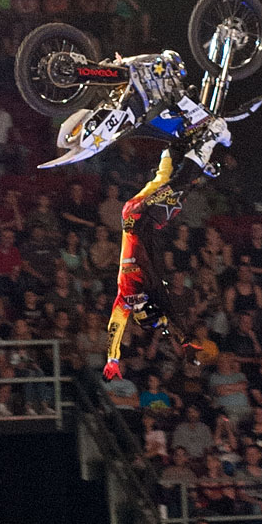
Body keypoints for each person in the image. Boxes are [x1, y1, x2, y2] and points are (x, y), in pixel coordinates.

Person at [102, 119, 231, 380]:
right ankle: (179, 144)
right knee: (164, 181)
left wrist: (185, 342)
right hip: (131, 215)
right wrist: (112, 358)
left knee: (179, 185)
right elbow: (116, 327)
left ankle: (208, 143)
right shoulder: (125, 297)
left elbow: (167, 319)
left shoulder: (148, 292)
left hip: (144, 217)